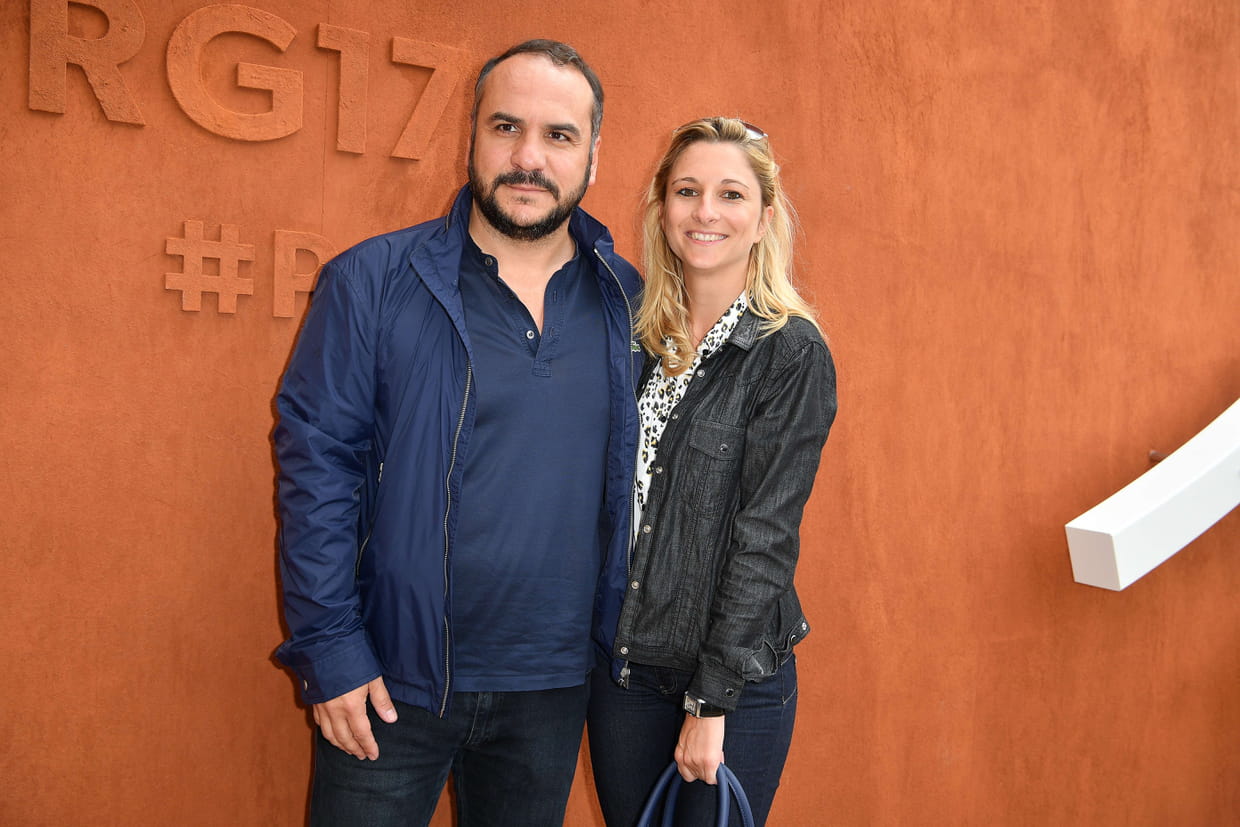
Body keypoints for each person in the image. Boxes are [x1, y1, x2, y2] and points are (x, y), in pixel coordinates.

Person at [272, 39, 642, 827]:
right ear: (471, 134)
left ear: (593, 155)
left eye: (559, 135)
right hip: (389, 682)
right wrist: (329, 648)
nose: (528, 158)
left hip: (553, 688)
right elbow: (317, 470)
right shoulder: (370, 281)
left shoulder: (628, 301)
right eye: (506, 127)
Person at [587, 117, 837, 826]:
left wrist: (710, 700)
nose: (706, 212)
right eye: (687, 190)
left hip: (733, 685)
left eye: (731, 194)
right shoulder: (638, 338)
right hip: (626, 674)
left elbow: (766, 537)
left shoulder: (790, 353)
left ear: (764, 218)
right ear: (663, 208)